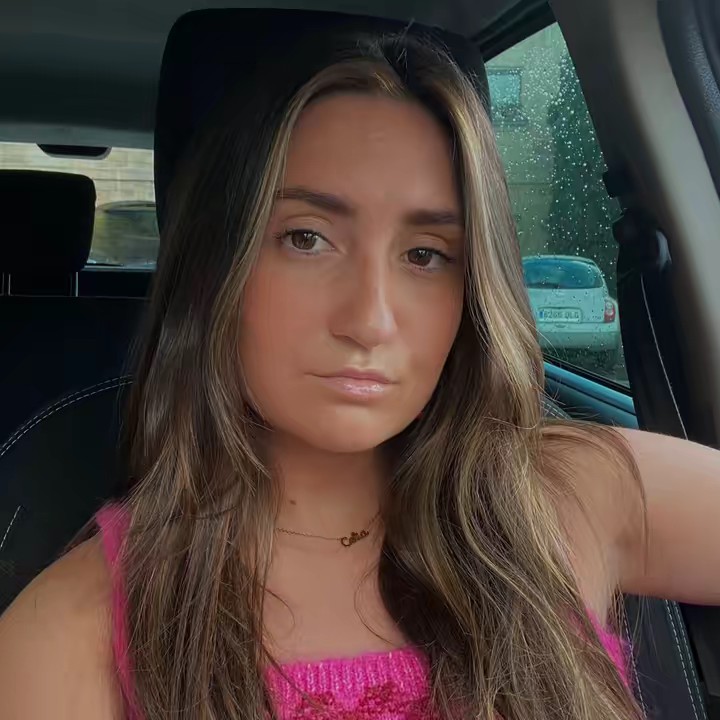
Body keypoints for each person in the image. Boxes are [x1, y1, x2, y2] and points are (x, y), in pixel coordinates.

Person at [1, 28, 719, 720]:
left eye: (425, 254)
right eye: (306, 239)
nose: (370, 320)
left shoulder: (569, 493)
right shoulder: (78, 631)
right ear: (216, 271)